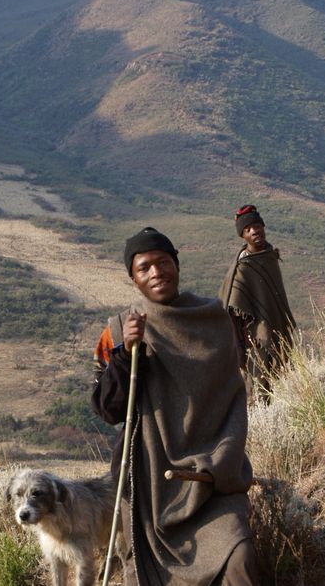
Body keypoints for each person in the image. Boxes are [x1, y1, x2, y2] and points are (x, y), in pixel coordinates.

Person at [92, 227, 262, 586]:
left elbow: (233, 398)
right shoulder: (119, 331)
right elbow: (108, 410)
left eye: (163, 262)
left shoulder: (214, 320)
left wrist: (222, 460)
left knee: (239, 556)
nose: (156, 272)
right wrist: (125, 355)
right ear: (133, 278)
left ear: (176, 264)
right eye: (144, 267)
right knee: (147, 576)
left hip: (210, 477)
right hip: (150, 487)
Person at [219, 205, 295, 389]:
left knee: (280, 382)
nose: (254, 231)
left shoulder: (269, 256)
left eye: (257, 226)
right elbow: (233, 308)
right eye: (248, 229)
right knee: (259, 386)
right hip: (253, 338)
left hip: (275, 329)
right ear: (243, 236)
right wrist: (240, 345)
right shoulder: (243, 268)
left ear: (263, 227)